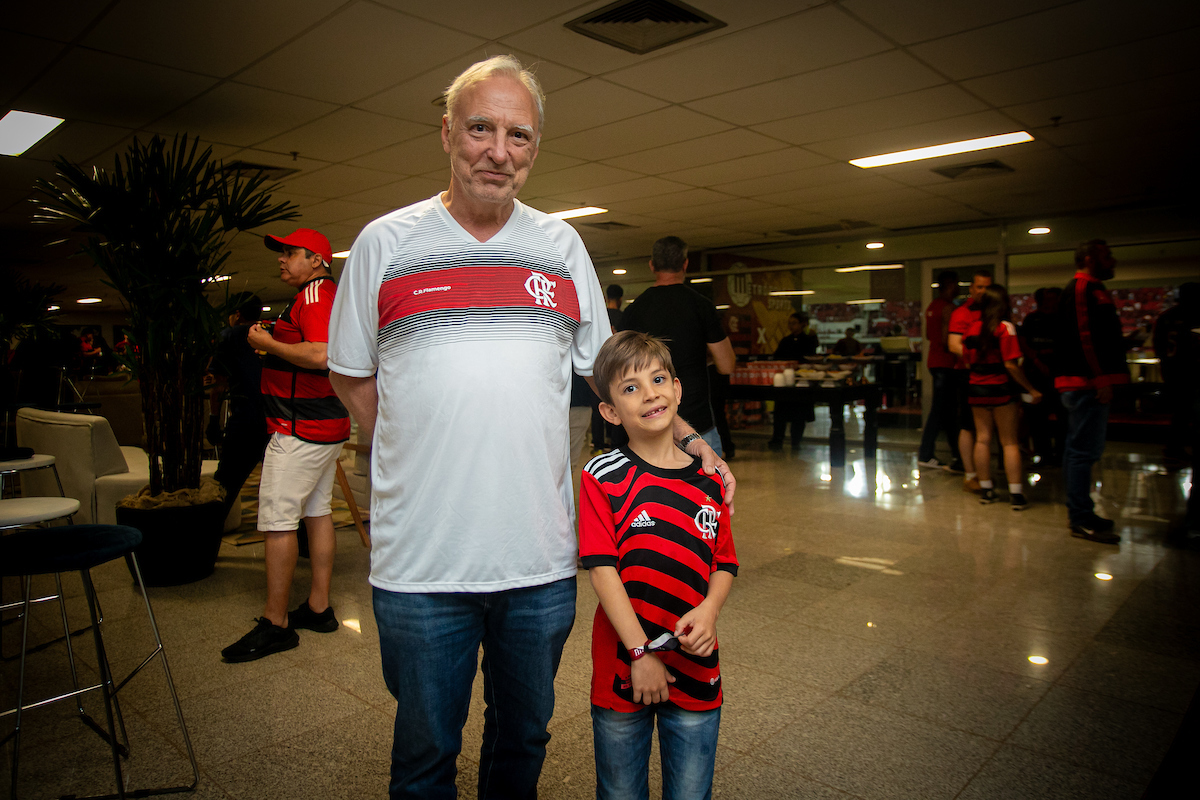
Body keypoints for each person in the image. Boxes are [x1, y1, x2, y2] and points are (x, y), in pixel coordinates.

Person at [323, 56, 736, 799]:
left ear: (535, 149)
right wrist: (415, 440)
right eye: (481, 128)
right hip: (421, 565)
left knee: (523, 743)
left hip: (540, 564)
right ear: (448, 131)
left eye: (519, 135)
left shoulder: (560, 247)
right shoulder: (385, 244)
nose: (498, 151)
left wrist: (689, 440)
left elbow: (615, 374)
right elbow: (350, 372)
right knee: (424, 756)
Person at [580, 330, 737, 800]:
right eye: (630, 388)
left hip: (696, 665)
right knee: (620, 791)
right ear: (609, 411)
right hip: (623, 665)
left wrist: (709, 611)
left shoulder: (709, 480)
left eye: (659, 379)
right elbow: (601, 569)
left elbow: (725, 562)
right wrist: (640, 653)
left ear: (678, 390)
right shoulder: (603, 476)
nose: (650, 394)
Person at [221, 228, 351, 662]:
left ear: (316, 260)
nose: (281, 259)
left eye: (290, 252)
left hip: (301, 430)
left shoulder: (315, 295)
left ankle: (276, 623)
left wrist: (264, 342)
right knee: (316, 512)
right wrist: (275, 342)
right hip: (322, 425)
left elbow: (321, 355)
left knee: (278, 520)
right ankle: (318, 607)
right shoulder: (320, 294)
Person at [620, 236, 737, 456]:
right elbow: (727, 365)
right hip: (697, 423)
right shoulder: (701, 305)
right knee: (707, 490)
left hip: (648, 424)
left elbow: (620, 366)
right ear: (685, 264)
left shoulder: (634, 310)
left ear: (652, 266)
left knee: (652, 491)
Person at [1055, 239, 1127, 544]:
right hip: (1085, 383)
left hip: (1085, 382)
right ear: (1088, 258)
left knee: (1079, 450)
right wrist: (1100, 377)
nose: (1112, 261)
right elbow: (1085, 337)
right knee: (1083, 452)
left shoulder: (1091, 288)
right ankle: (1081, 517)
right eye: (1106, 256)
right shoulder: (1083, 289)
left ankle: (1081, 512)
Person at [962, 285, 1042, 510]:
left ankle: (986, 490)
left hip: (976, 388)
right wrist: (1031, 389)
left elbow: (967, 361)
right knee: (1009, 442)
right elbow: (1011, 365)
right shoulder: (1005, 328)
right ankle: (1016, 494)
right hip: (1001, 389)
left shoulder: (971, 328)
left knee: (982, 439)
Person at [207, 291, 269, 524]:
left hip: (245, 421)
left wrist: (213, 420)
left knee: (225, 484)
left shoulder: (229, 336)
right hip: (276, 420)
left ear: (236, 314)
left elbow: (219, 383)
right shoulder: (271, 335)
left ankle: (205, 543)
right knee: (284, 486)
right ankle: (303, 543)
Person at [948, 269, 994, 492]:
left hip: (993, 375)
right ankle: (970, 474)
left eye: (987, 287)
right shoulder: (962, 313)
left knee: (987, 428)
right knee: (968, 425)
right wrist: (977, 359)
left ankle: (985, 472)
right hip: (968, 374)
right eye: (979, 287)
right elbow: (954, 345)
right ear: (972, 288)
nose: (983, 291)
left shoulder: (994, 312)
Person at [917, 272, 962, 470]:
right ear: (949, 285)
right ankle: (926, 453)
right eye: (956, 285)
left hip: (934, 362)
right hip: (946, 363)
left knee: (946, 411)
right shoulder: (949, 308)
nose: (958, 288)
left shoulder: (931, 307)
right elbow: (947, 340)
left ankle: (958, 455)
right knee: (941, 410)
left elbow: (929, 335)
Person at [1151, 282, 1200, 463]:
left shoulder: (1166, 316)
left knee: (1181, 412)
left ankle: (1174, 448)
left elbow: (1158, 346)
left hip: (1173, 371)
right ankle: (1176, 448)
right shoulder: (1195, 315)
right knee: (1189, 412)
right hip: (1191, 371)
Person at [1019, 287, 1066, 464]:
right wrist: (1036, 361)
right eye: (1049, 299)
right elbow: (1024, 343)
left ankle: (1061, 454)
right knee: (1037, 418)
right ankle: (1043, 454)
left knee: (1063, 416)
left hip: (1059, 373)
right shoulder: (1032, 319)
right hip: (1036, 374)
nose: (1052, 302)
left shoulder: (1062, 319)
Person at [769, 312, 818, 450]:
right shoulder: (786, 340)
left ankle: (796, 441)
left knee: (799, 414)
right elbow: (777, 357)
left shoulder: (809, 340)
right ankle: (777, 439)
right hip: (785, 381)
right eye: (789, 323)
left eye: (794, 323)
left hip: (800, 381)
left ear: (802, 324)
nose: (791, 326)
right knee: (780, 413)